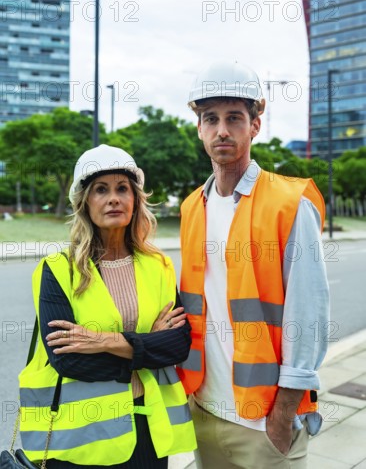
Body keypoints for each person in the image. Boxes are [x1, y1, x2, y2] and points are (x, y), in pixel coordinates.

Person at [176, 61, 330, 469]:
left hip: (265, 421)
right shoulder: (193, 207)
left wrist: (282, 416)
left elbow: (308, 317)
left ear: (255, 125)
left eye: (234, 118)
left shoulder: (289, 204)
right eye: (211, 118)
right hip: (205, 409)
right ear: (199, 128)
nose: (221, 130)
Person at [19, 144, 197, 469]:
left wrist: (103, 342)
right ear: (85, 203)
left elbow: (177, 344)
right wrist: (146, 348)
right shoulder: (59, 270)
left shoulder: (158, 266)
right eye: (101, 190)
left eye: (122, 189)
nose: (113, 198)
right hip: (81, 440)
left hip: (147, 431)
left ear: (135, 199)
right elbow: (67, 360)